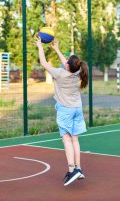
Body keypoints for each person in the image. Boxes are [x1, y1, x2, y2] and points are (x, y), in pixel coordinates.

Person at [36, 37, 89, 187]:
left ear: (67, 66)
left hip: (65, 110)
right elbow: (69, 63)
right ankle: (79, 168)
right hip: (77, 109)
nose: (65, 62)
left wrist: (40, 46)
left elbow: (43, 63)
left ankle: (72, 170)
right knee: (75, 140)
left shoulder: (60, 73)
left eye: (66, 62)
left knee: (66, 139)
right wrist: (57, 49)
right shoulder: (78, 71)